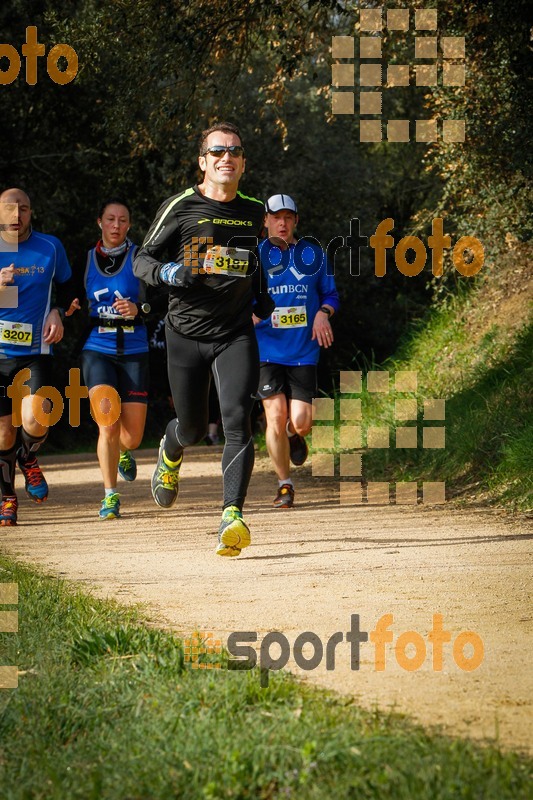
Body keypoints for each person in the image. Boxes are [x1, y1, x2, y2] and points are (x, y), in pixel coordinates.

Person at [134, 121, 274, 557]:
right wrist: (168, 273)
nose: (225, 158)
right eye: (217, 152)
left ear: (244, 161)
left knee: (237, 421)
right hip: (185, 334)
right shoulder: (181, 206)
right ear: (203, 161)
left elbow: (253, 261)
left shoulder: (255, 211)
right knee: (193, 429)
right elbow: (142, 259)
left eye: (234, 150)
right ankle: (171, 448)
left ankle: (232, 516)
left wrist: (263, 297)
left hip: (234, 333)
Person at [254, 193, 340, 508]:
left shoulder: (313, 254)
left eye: (288, 217)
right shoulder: (255, 256)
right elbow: (237, 297)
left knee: (302, 421)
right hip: (265, 349)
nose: (282, 222)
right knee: (273, 415)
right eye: (276, 217)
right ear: (265, 221)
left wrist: (323, 313)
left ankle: (294, 434)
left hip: (303, 350)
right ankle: (284, 484)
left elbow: (331, 295)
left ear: (296, 221)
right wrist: (247, 313)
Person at [70, 198, 151, 519]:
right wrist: (67, 308)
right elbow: (67, 294)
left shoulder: (141, 259)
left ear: (129, 225)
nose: (116, 226)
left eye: (122, 220)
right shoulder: (86, 259)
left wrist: (139, 308)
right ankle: (110, 495)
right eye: (110, 220)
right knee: (107, 422)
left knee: (131, 437)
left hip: (135, 350)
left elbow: (160, 299)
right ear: (100, 223)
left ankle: (123, 452)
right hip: (97, 348)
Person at [0, 188, 72, 525]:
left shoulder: (49, 247)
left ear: (31, 213)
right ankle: (8, 498)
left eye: (24, 209)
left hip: (35, 352)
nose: (17, 215)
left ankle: (28, 458)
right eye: (10, 209)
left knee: (37, 419)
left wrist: (58, 310)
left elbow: (71, 289)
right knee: (2, 434)